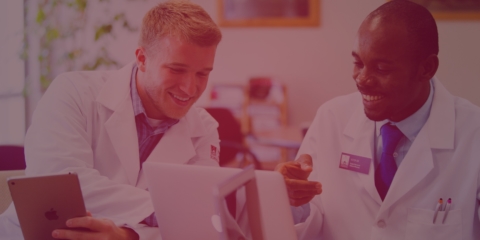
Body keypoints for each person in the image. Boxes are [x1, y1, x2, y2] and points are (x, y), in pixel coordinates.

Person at [0, 1, 222, 239]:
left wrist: (128, 235)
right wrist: (169, 211)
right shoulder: (73, 92)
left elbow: (199, 226)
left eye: (202, 74)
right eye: (176, 70)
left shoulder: (204, 129)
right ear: (142, 58)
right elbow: (60, 187)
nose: (190, 88)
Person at [276, 1, 480, 239]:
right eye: (358, 63)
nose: (362, 79)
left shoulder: (473, 133)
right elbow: (312, 216)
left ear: (426, 68)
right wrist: (291, 199)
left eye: (381, 68)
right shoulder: (331, 118)